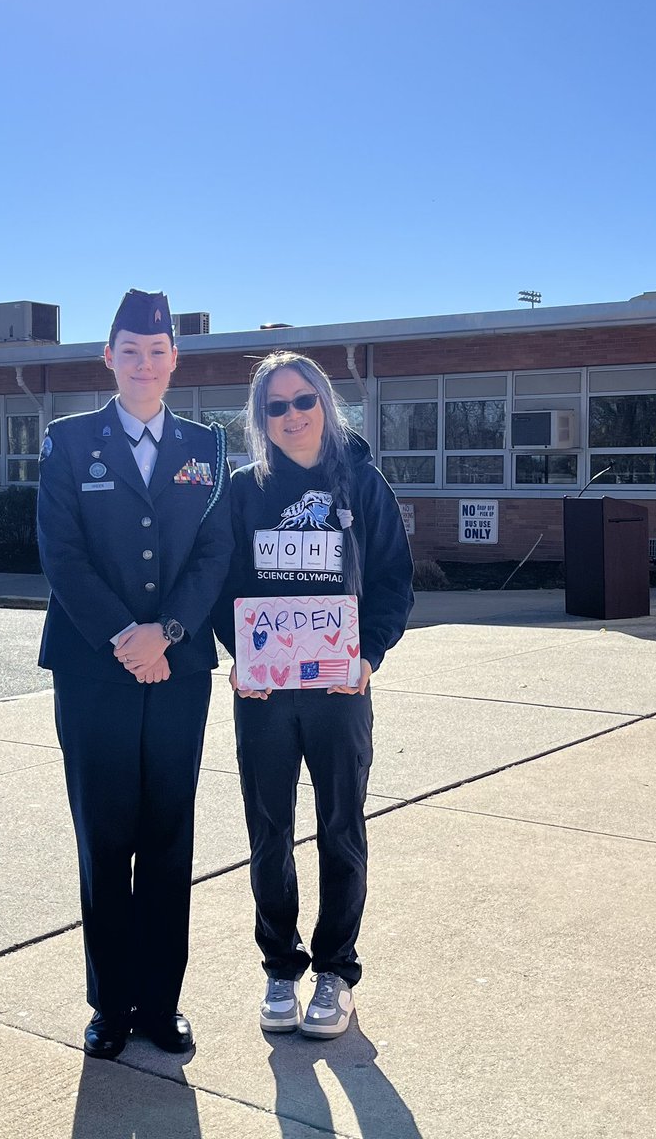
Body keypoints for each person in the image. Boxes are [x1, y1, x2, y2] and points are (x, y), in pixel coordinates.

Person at [37, 288, 232, 1062]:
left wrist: (169, 632)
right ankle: (108, 1003)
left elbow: (214, 552)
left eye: (157, 351)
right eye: (130, 350)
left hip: (179, 670)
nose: (144, 363)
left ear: (175, 359)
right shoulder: (67, 441)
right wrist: (126, 635)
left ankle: (160, 1002)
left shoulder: (206, 448)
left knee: (167, 836)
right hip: (93, 671)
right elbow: (61, 553)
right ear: (109, 357)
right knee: (103, 836)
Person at [212, 351, 414, 1039]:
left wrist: (369, 655)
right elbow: (217, 582)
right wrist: (240, 655)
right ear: (260, 418)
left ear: (325, 403)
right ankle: (279, 967)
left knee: (341, 829)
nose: (293, 415)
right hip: (264, 695)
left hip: (339, 691)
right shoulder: (241, 491)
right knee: (269, 831)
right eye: (277, 406)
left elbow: (392, 580)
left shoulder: (362, 482)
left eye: (304, 401)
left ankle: (335, 970)